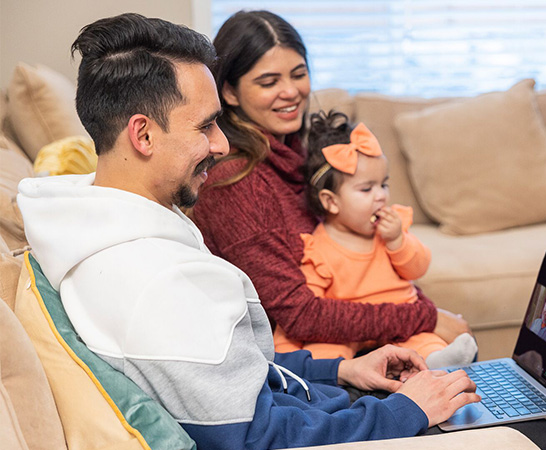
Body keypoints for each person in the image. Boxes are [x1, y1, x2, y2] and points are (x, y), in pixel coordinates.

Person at [16, 13, 483, 449]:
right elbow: (257, 436)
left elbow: (234, 378)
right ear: (143, 135)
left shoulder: (114, 223)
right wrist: (403, 413)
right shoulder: (159, 281)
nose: (220, 144)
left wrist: (341, 369)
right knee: (534, 433)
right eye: (206, 126)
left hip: (308, 401)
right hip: (312, 431)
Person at [191, 10, 470, 352]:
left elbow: (370, 254)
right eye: (269, 82)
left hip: (347, 333)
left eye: (299, 74)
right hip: (298, 358)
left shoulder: (298, 153)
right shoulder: (235, 182)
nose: (291, 91)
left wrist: (417, 307)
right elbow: (299, 314)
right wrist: (424, 317)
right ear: (230, 93)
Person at [272, 111, 478, 369]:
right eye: (367, 189)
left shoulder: (391, 230)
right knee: (323, 351)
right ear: (331, 201)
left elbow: (418, 267)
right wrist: (284, 354)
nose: (381, 196)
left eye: (384, 184)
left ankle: (436, 362)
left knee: (425, 340)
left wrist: (397, 242)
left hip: (401, 322)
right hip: (346, 331)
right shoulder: (318, 248)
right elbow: (304, 314)